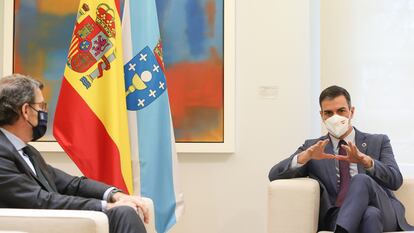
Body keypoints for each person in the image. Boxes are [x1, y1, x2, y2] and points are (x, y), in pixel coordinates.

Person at [0, 74, 148, 233]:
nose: (44, 112)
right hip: (34, 227)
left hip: (54, 224)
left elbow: (73, 184)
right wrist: (105, 206)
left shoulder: (26, 151)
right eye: (42, 106)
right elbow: (40, 200)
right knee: (122, 212)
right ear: (26, 111)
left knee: (124, 211)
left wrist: (115, 195)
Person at [268, 85, 414, 233]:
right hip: (338, 214)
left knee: (361, 180)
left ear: (351, 112)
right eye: (329, 113)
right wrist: (305, 156)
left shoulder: (378, 141)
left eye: (341, 111)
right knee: (370, 215)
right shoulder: (313, 147)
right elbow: (274, 174)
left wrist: (367, 162)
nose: (335, 117)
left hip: (383, 209)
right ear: (322, 115)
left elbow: (395, 180)